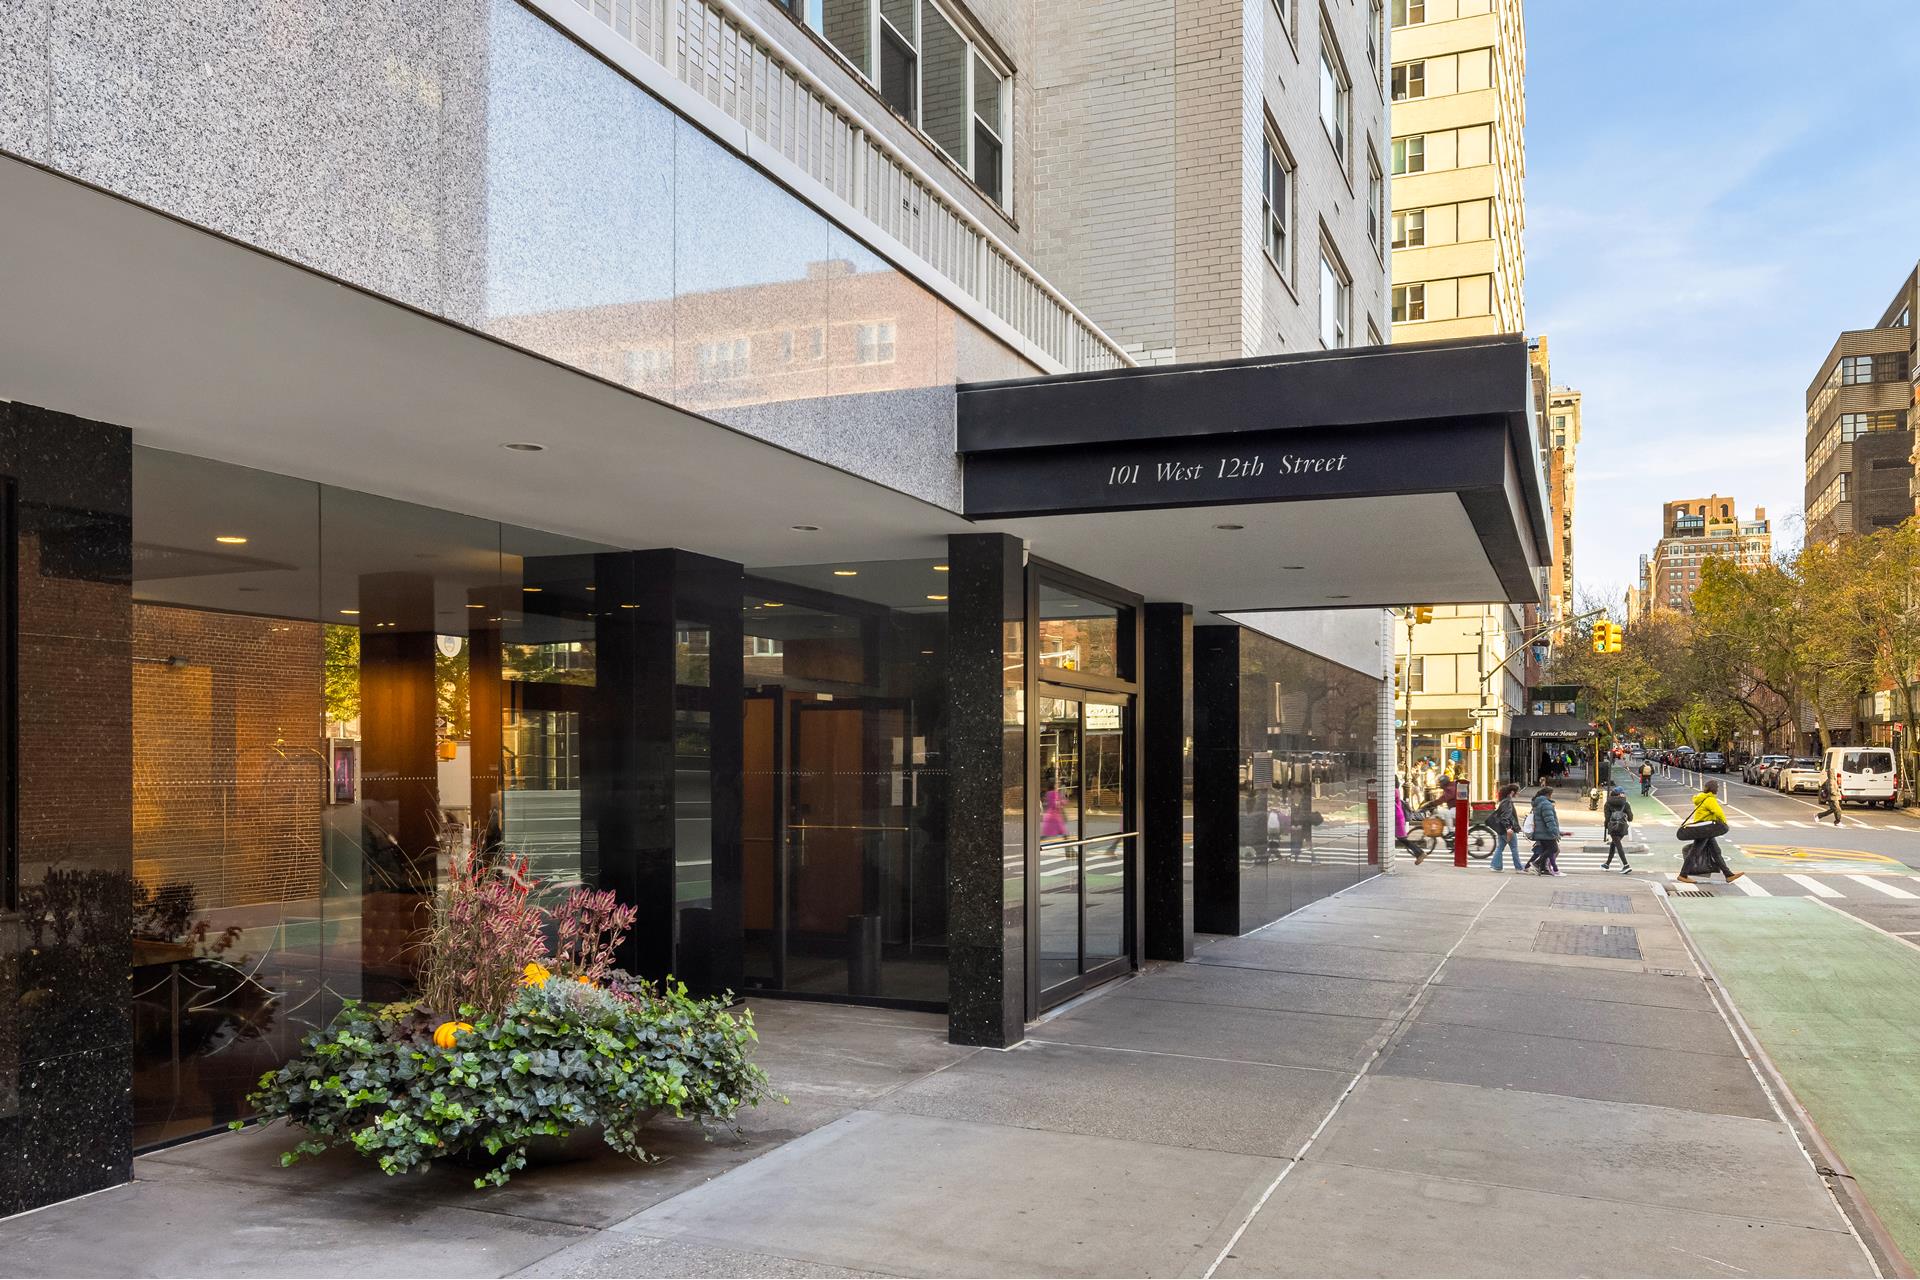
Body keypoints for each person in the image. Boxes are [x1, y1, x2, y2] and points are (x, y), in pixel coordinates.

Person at [1676, 779, 1744, 884]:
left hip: (1705, 828)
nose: (1718, 789)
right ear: (1713, 789)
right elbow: (1718, 812)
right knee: (1695, 852)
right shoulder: (1710, 800)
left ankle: (1728, 875)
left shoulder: (1703, 798)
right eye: (1717, 787)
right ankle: (1683, 875)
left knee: (1716, 851)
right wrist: (1724, 823)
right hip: (1705, 829)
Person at [1525, 783, 1563, 876]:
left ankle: (1543, 869)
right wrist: (1555, 832)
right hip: (1546, 833)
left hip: (1540, 832)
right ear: (1548, 794)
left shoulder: (1538, 803)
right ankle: (1536, 864)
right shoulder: (1546, 804)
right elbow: (1549, 820)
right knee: (1553, 848)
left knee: (1546, 850)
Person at [1487, 782, 1524, 873]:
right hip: (1507, 829)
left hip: (1502, 829)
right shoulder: (1507, 802)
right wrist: (1509, 828)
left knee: (1500, 847)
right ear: (1512, 792)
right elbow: (1505, 817)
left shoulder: (1504, 801)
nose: (1518, 794)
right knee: (1514, 848)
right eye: (1517, 792)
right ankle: (1518, 868)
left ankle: (1496, 866)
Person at [1393, 781, 1428, 864]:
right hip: (1396, 817)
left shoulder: (1394, 791)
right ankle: (1419, 853)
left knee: (1402, 839)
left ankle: (1420, 853)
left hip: (1396, 818)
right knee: (1402, 839)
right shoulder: (1396, 790)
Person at [1602, 786, 1634, 873]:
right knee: (1614, 844)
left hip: (1613, 827)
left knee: (1617, 845)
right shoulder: (1626, 804)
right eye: (1623, 793)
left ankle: (1626, 865)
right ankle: (1607, 864)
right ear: (1620, 794)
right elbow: (1631, 818)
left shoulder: (1607, 804)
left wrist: (1606, 826)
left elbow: (1607, 818)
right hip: (1623, 827)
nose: (1624, 794)